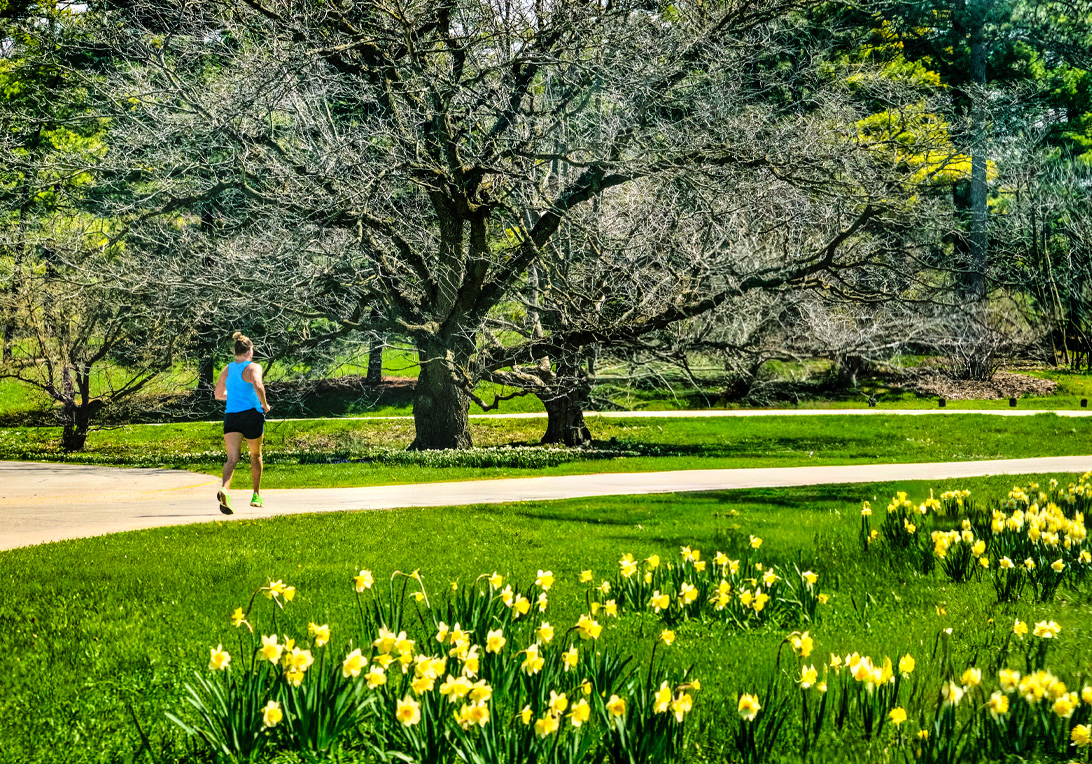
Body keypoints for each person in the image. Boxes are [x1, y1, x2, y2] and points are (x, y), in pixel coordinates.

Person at [213, 332, 270, 514]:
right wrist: (265, 404)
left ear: (236, 352)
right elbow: (258, 386)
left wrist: (235, 397)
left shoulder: (228, 369)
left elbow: (218, 394)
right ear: (250, 351)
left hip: (232, 416)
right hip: (251, 415)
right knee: (255, 455)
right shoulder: (254, 367)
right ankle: (256, 495)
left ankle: (225, 489)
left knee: (232, 458)